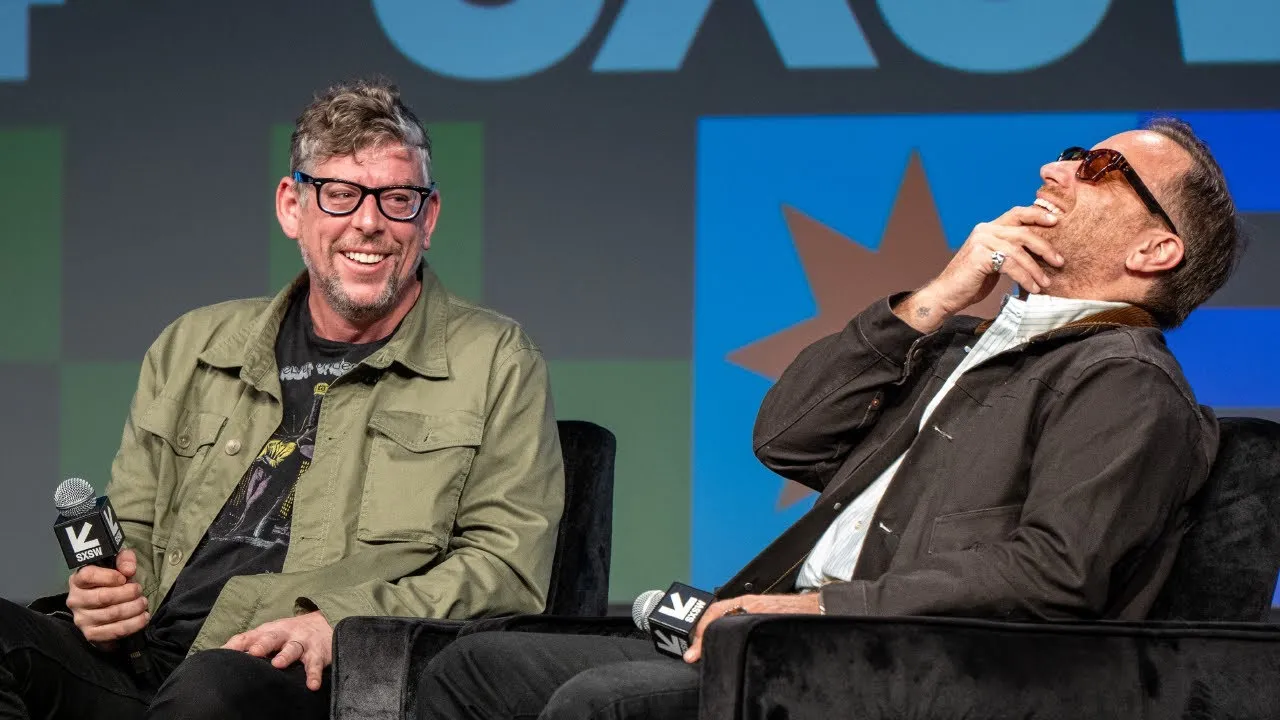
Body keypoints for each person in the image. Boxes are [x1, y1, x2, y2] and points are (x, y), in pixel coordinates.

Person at [418, 117, 1240, 719]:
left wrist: (811, 612)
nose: (1055, 169)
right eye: (1071, 152)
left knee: (604, 703)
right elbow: (787, 435)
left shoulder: (1126, 381)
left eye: (1098, 166)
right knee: (474, 668)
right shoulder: (963, 346)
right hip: (779, 641)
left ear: (1154, 252)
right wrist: (936, 300)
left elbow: (1054, 574)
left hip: (894, 671)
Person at [0, 78, 564, 720]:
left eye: (397, 198)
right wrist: (104, 595)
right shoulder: (193, 345)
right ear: (292, 206)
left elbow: (506, 570)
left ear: (427, 218)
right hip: (143, 664)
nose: (370, 222)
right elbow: (136, 531)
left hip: (300, 673)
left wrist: (342, 622)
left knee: (212, 692)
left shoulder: (495, 360)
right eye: (341, 195)